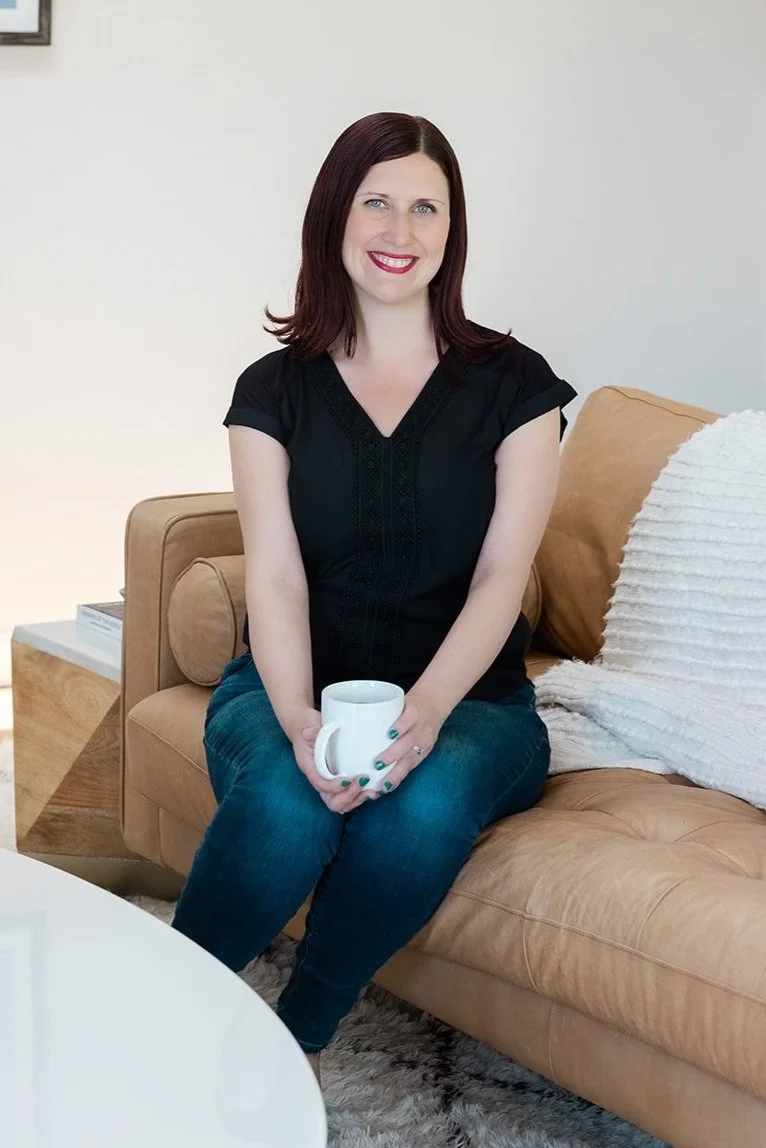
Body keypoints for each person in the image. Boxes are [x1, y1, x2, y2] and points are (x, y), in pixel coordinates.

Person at [171, 111, 577, 1087]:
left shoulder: (515, 386)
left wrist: (426, 711)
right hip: (291, 683)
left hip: (474, 705)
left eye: (425, 205)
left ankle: (296, 1032)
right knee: (284, 798)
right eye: (377, 200)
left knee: (418, 807)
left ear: (451, 229)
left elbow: (501, 574)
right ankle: (167, 1011)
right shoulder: (272, 391)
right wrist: (298, 715)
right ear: (334, 218)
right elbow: (273, 575)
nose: (401, 228)